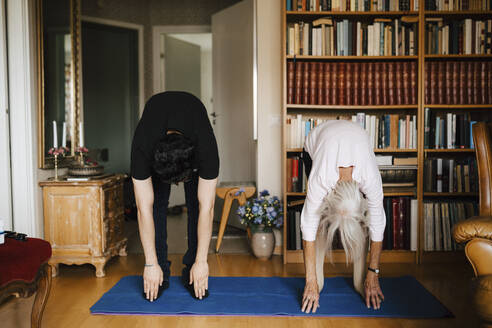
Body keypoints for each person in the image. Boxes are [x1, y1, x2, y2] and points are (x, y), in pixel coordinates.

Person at [131, 91, 219, 302]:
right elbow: (144, 210)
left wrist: (202, 261)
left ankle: (192, 271)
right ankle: (159, 270)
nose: (178, 185)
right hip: (156, 139)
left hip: (194, 131)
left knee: (196, 207)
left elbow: (207, 208)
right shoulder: (142, 147)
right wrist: (150, 263)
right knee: (156, 206)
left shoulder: (205, 149)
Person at [299, 120, 386, 313]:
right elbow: (307, 225)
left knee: (359, 283)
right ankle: (317, 280)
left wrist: (373, 274)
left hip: (354, 138)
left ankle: (360, 279)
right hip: (316, 146)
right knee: (317, 218)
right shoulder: (321, 178)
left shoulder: (369, 178)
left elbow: (378, 224)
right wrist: (311, 281)